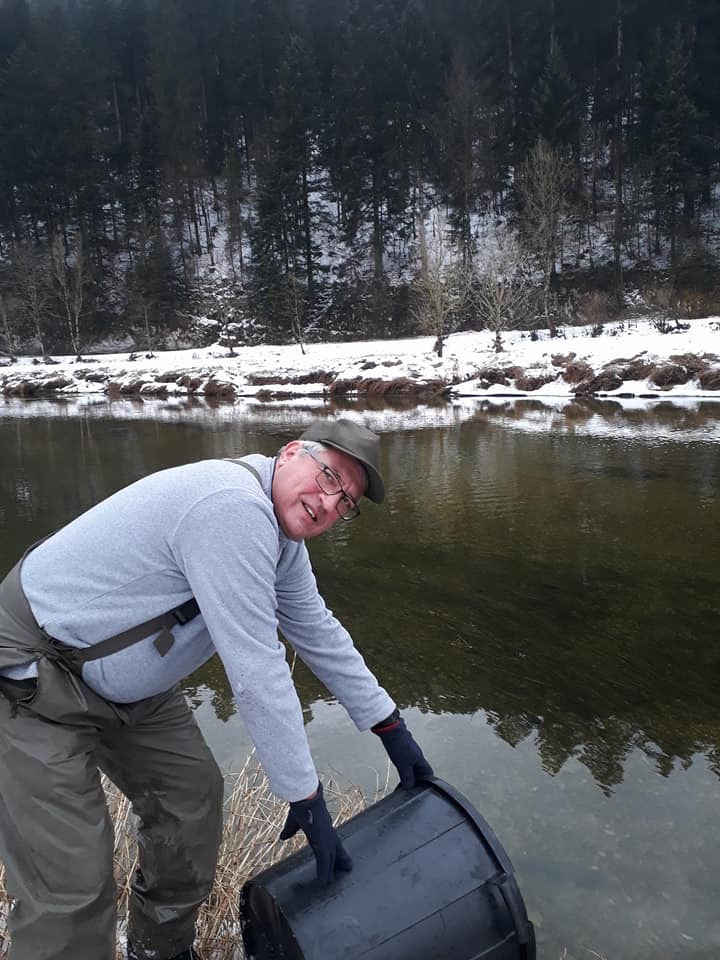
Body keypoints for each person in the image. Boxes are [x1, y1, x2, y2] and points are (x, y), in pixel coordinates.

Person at [0, 418, 433, 960]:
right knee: (71, 880)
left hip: (127, 688)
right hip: (34, 674)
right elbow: (257, 667)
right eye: (328, 477)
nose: (329, 503)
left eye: (346, 502)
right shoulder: (230, 507)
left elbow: (317, 630)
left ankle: (159, 950)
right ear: (290, 452)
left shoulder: (281, 541)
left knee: (191, 801)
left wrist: (389, 725)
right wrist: (305, 795)